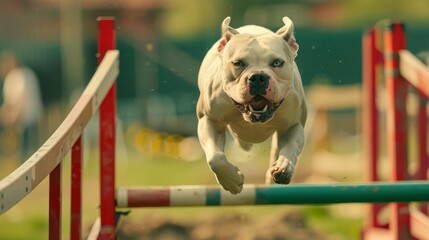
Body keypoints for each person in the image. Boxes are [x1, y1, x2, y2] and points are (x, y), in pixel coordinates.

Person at [0, 51, 43, 162]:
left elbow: (21, 102)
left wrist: (12, 117)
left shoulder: (23, 76)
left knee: (28, 148)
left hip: (28, 118)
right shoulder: (12, 78)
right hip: (21, 119)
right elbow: (9, 102)